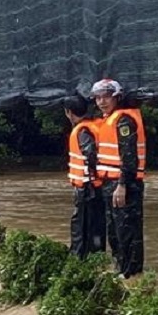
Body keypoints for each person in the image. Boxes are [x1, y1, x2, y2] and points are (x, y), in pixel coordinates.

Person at [92, 78, 147, 279]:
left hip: (124, 184)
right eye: (98, 98)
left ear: (117, 97)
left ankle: (131, 273)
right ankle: (121, 270)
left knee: (128, 230)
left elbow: (129, 155)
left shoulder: (124, 120)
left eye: (106, 97)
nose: (101, 101)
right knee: (114, 231)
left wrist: (123, 184)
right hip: (109, 183)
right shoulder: (109, 119)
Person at [63, 95, 105, 259]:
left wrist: (93, 178)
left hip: (88, 187)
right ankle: (95, 259)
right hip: (94, 185)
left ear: (69, 112)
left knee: (82, 225)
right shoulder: (94, 126)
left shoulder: (82, 131)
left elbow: (91, 154)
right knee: (95, 225)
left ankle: (79, 258)